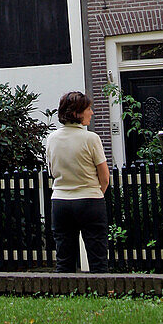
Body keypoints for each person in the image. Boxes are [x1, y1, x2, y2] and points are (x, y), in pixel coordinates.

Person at [45, 90, 110, 272]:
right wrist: (96, 193)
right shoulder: (91, 139)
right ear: (77, 113)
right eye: (88, 109)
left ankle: (65, 294)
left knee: (64, 258)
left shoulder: (51, 139)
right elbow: (104, 176)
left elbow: (52, 171)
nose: (92, 113)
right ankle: (101, 293)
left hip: (60, 202)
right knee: (97, 256)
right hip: (90, 201)